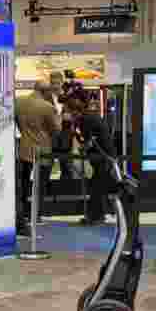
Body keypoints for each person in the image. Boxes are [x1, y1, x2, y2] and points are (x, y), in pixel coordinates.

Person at [63, 86, 115, 225]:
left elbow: (91, 141)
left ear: (74, 110)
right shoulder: (89, 116)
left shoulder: (85, 119)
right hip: (104, 156)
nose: (66, 113)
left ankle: (95, 217)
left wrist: (83, 147)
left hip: (102, 157)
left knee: (96, 187)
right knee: (97, 185)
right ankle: (98, 215)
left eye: (68, 110)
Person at [14, 81, 59, 236]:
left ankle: (23, 215)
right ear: (46, 91)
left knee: (23, 186)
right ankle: (35, 215)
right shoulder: (48, 107)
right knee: (40, 186)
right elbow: (56, 130)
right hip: (42, 151)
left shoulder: (18, 102)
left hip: (24, 150)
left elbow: (16, 123)